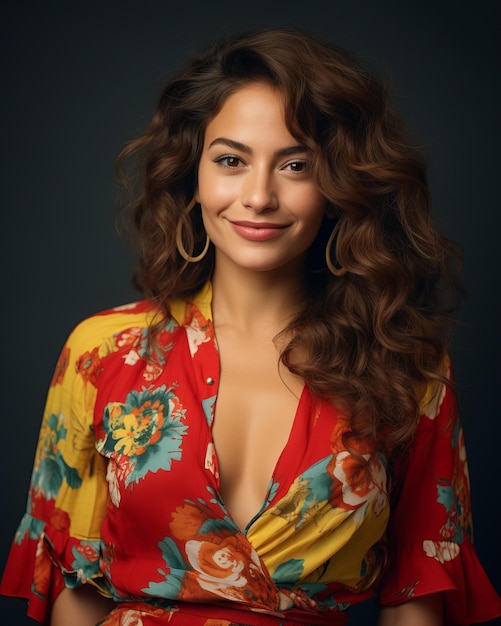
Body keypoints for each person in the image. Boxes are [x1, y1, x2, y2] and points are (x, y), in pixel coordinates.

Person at [1, 28, 500, 626]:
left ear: (339, 187)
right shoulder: (103, 352)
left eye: (296, 165)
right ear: (195, 176)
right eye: (231, 161)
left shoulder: (408, 370)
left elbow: (417, 598)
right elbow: (74, 587)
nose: (259, 195)